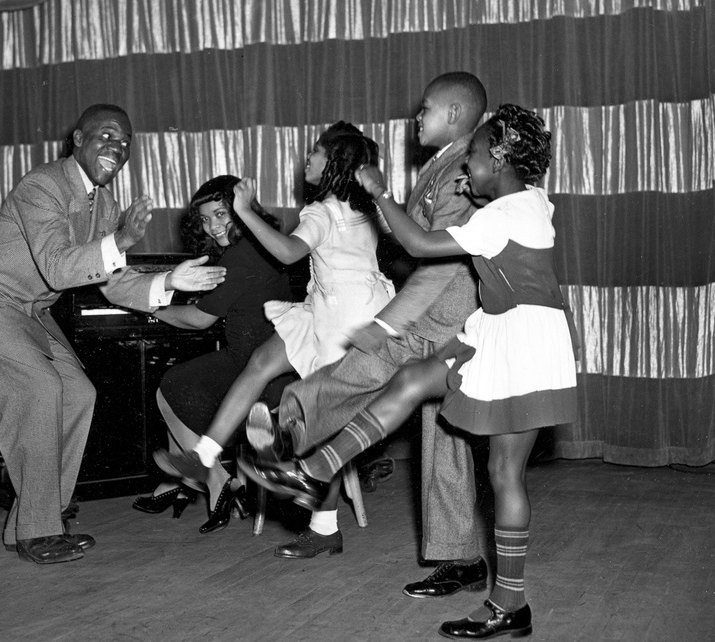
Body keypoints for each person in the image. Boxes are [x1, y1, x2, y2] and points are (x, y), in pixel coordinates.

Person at [243, 104, 578, 639]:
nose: (466, 172)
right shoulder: (531, 200)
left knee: (503, 474)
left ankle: (510, 604)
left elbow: (422, 246)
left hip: (523, 345)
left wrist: (378, 192)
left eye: (472, 159)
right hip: (499, 328)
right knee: (411, 380)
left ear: (499, 157)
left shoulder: (502, 216)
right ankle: (317, 470)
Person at [0, 104, 227, 565]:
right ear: (78, 140)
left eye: (125, 142)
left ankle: (29, 523)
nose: (117, 148)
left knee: (78, 393)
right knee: (41, 389)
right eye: (106, 136)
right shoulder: (43, 185)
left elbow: (112, 280)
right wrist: (122, 241)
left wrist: (170, 282)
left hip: (26, 308)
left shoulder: (103, 203)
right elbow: (57, 266)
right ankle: (39, 530)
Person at [246, 72, 490, 566]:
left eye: (424, 108)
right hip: (430, 313)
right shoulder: (442, 167)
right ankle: (457, 557)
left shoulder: (466, 169)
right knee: (441, 438)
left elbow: (438, 259)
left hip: (442, 318)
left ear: (454, 114)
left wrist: (386, 323)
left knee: (364, 373)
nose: (415, 117)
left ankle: (293, 435)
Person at [155, 123, 396, 546]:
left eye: (317, 153)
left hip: (342, 320)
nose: (308, 158)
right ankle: (204, 456)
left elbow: (287, 252)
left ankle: (324, 528)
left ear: (334, 165)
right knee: (262, 363)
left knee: (323, 425)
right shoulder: (358, 208)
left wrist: (244, 209)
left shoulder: (322, 213)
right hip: (337, 306)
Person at [132, 175, 293, 533]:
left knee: (170, 387)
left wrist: (150, 306)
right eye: (205, 219)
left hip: (258, 370)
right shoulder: (257, 245)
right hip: (270, 361)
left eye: (221, 214)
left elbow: (198, 320)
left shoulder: (242, 254)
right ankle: (185, 483)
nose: (213, 226)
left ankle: (215, 480)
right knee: (184, 382)